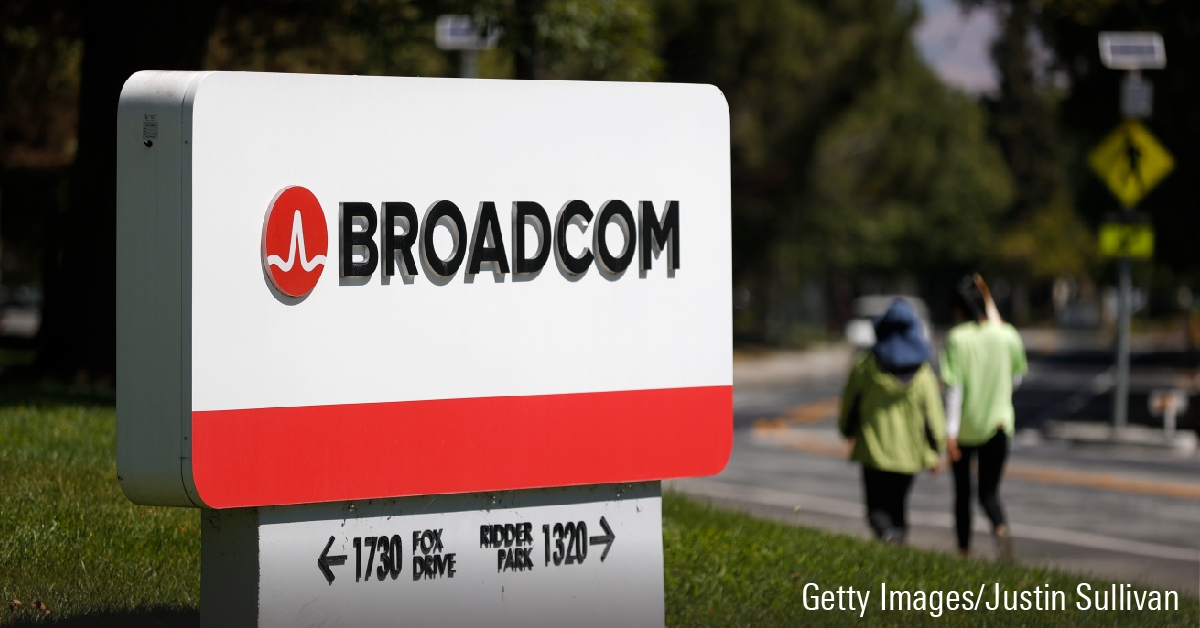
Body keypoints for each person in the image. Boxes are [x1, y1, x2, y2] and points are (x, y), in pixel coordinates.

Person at [839, 298, 946, 545]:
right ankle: (898, 550)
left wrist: (846, 429)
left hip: (873, 450)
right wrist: (936, 449)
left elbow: (850, 403)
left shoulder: (864, 365)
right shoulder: (922, 371)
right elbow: (933, 415)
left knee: (876, 510)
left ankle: (889, 540)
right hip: (909, 453)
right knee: (899, 508)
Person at [941, 277, 1027, 561]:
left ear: (958, 309)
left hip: (965, 427)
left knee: (962, 494)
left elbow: (955, 389)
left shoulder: (957, 339)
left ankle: (964, 552)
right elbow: (1016, 377)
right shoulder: (1008, 335)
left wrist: (950, 432)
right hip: (999, 422)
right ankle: (1001, 530)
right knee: (989, 492)